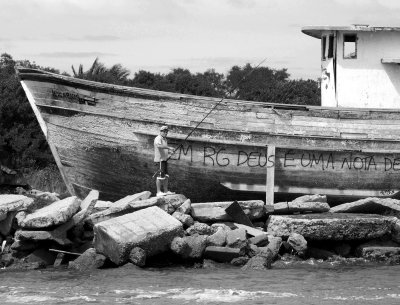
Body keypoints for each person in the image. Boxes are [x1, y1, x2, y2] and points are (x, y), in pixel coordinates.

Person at [154, 125, 175, 196]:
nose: (166, 133)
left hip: (164, 160)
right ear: (161, 132)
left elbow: (164, 149)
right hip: (160, 160)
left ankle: (166, 191)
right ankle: (158, 192)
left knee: (166, 176)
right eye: (164, 132)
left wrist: (169, 153)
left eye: (166, 132)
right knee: (159, 176)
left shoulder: (165, 139)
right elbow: (159, 146)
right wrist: (169, 148)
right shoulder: (158, 138)